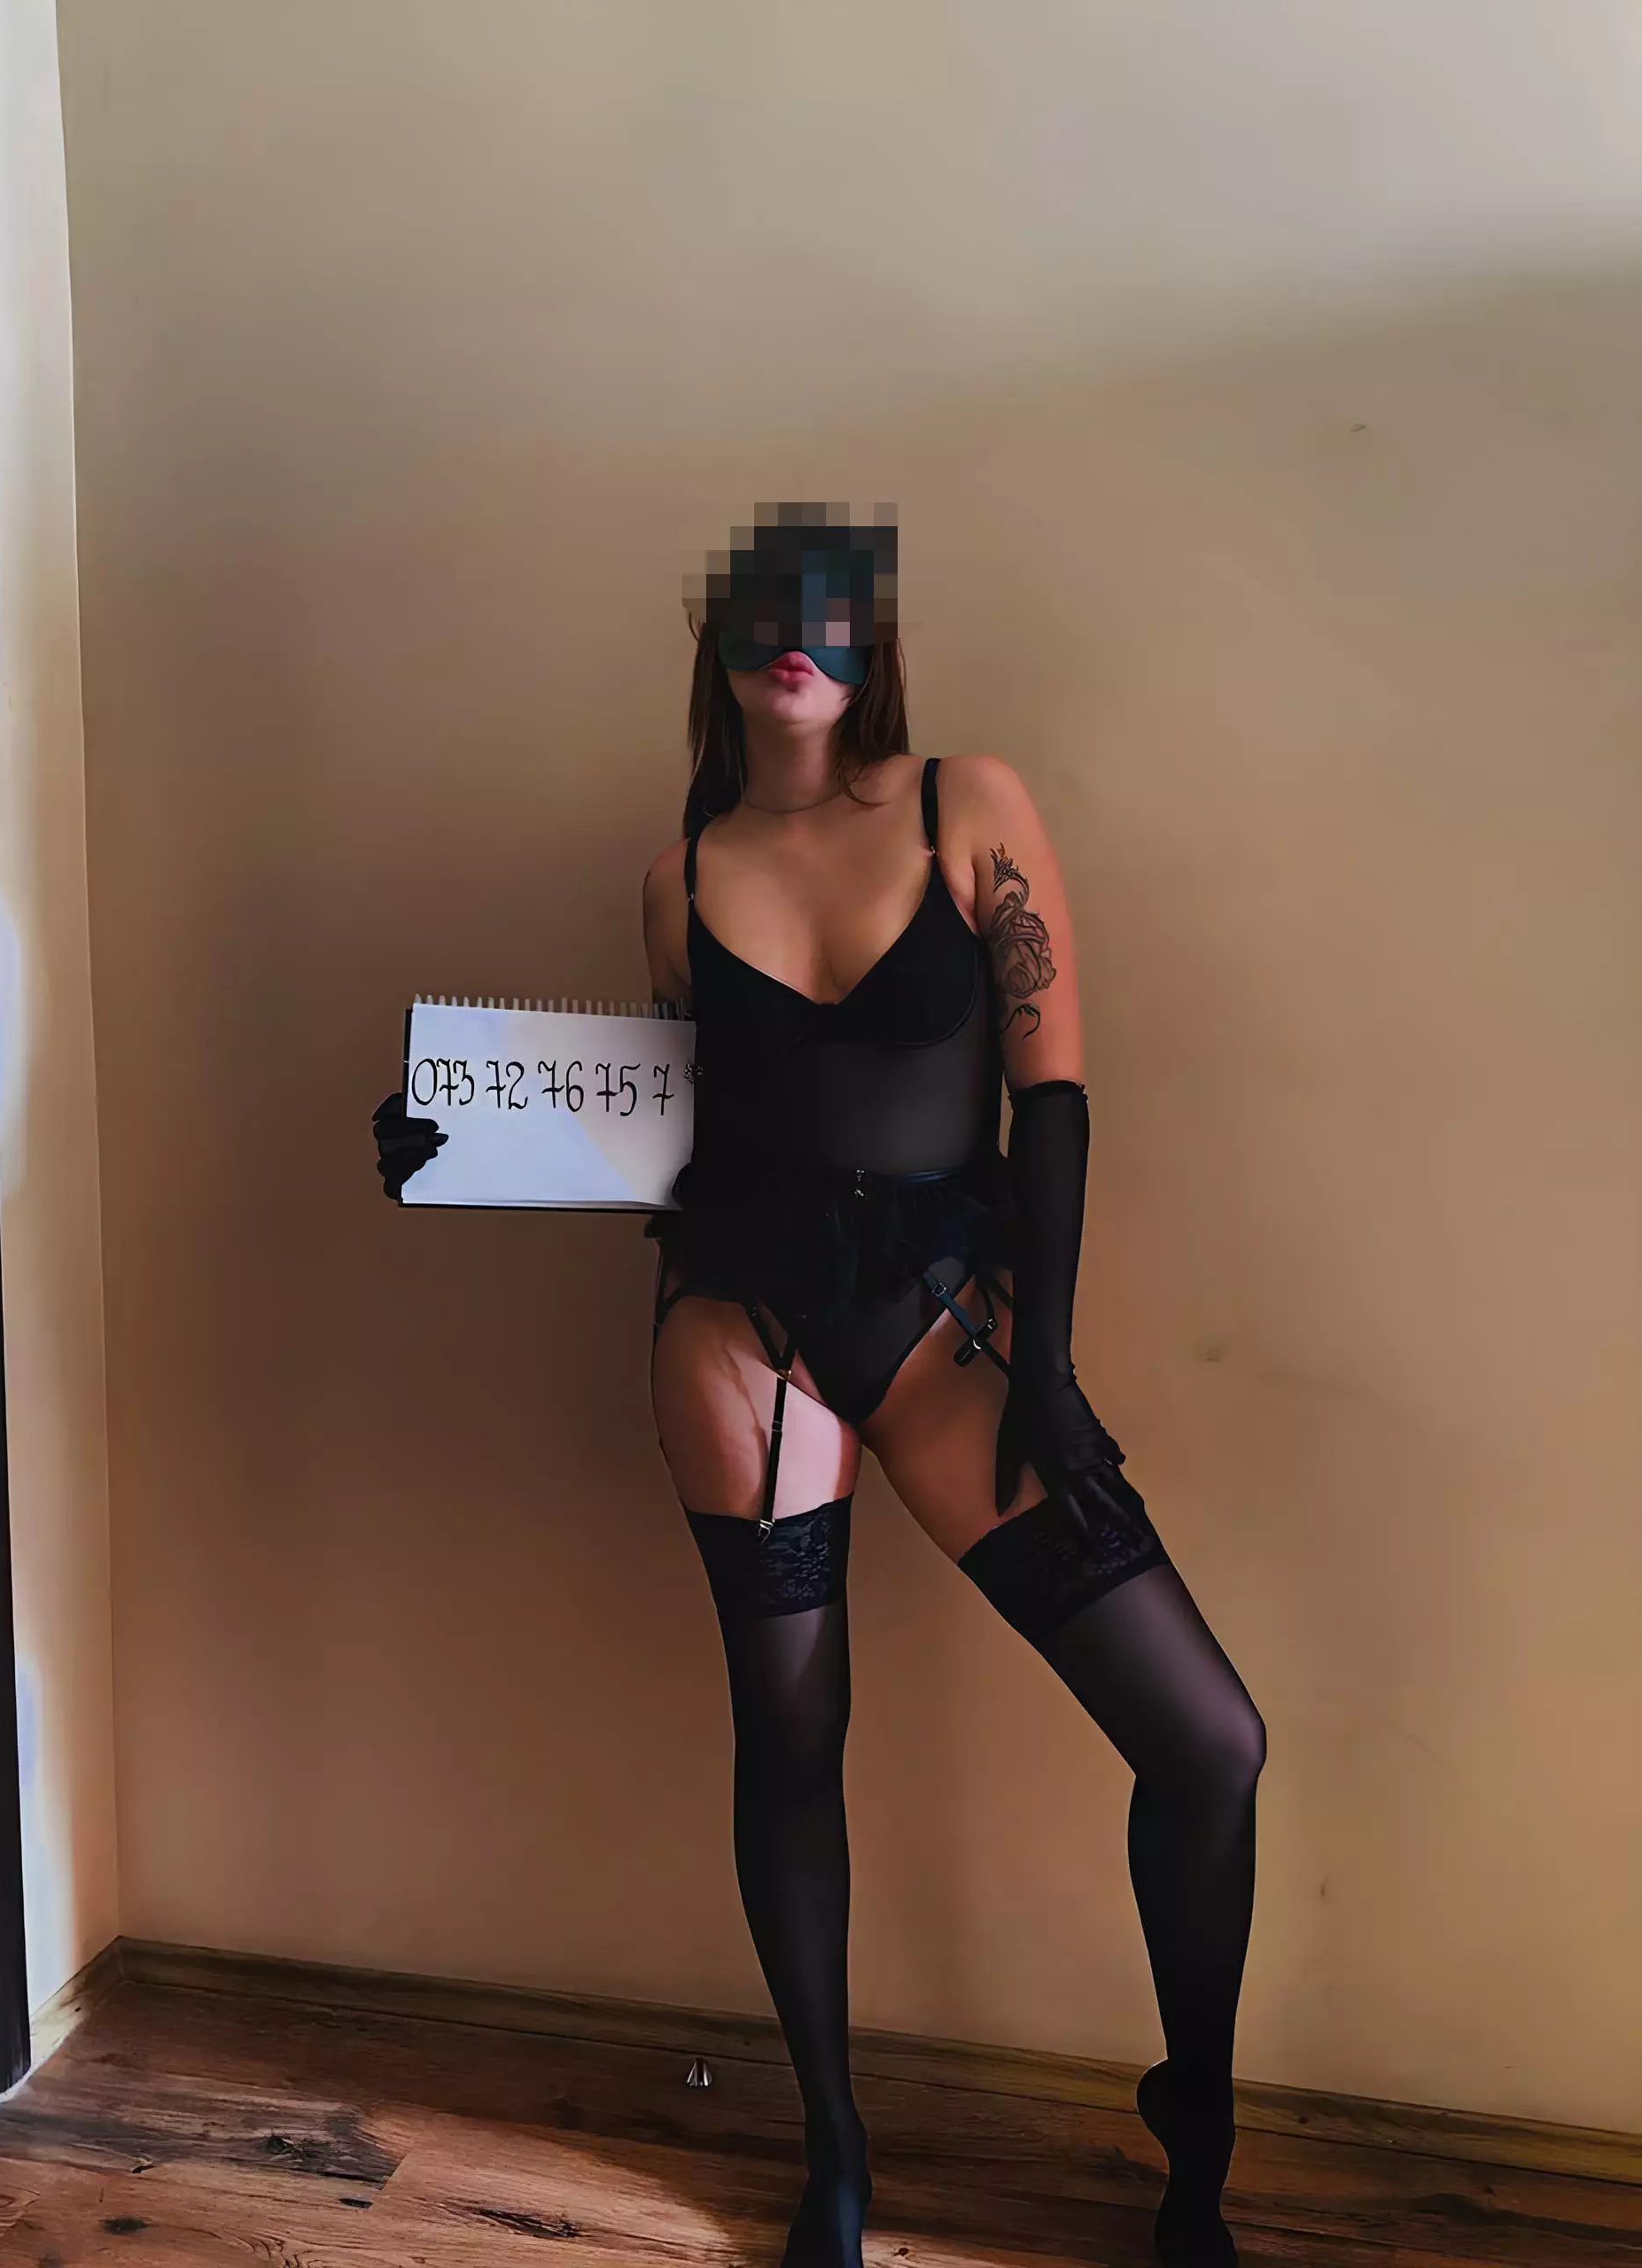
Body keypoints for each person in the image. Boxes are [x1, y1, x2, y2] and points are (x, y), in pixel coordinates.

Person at [373, 511, 1265, 2268]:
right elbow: (682, 1134)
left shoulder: (965, 804)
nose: (798, 630)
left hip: (947, 1324)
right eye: (764, 604)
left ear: (876, 640)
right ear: (715, 642)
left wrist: (1052, 1366)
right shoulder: (678, 877)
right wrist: (453, 1140)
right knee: (789, 1737)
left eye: (830, 604)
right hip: (740, 1331)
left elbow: (1054, 1097)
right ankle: (833, 2156)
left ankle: (1201, 2133)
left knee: (1209, 1739)